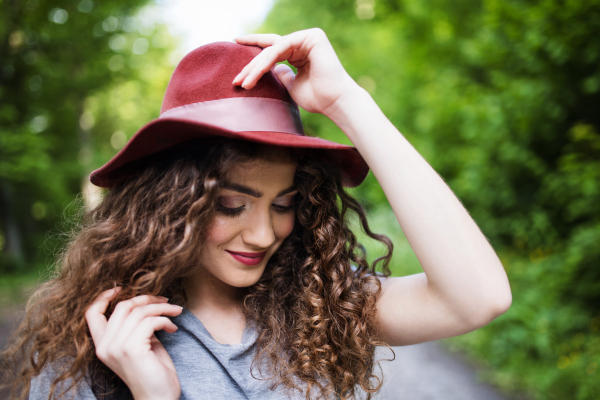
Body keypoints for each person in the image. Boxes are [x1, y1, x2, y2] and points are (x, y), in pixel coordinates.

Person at [3, 28, 512, 400]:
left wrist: (347, 101)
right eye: (231, 205)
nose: (265, 234)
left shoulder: (318, 302)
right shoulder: (97, 353)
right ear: (169, 203)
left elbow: (478, 297)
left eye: (284, 204)